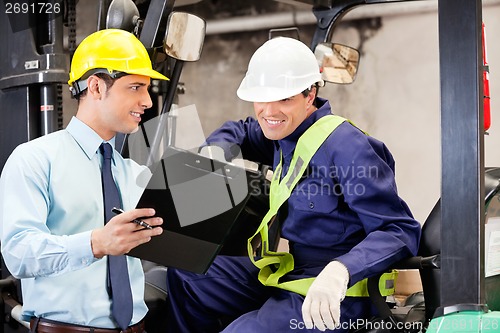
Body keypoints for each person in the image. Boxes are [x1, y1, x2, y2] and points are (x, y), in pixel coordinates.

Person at [166, 37, 421, 332]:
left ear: (310, 94)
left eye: (284, 99)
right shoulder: (282, 131)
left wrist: (342, 270)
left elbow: (399, 230)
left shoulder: (347, 147)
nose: (269, 112)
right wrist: (216, 152)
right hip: (291, 272)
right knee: (187, 274)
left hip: (338, 294)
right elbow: (240, 130)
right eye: (262, 98)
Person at [0, 29, 167, 332]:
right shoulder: (35, 160)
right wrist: (96, 243)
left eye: (146, 89)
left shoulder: (134, 173)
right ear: (96, 87)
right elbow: (19, 254)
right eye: (135, 87)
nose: (146, 101)